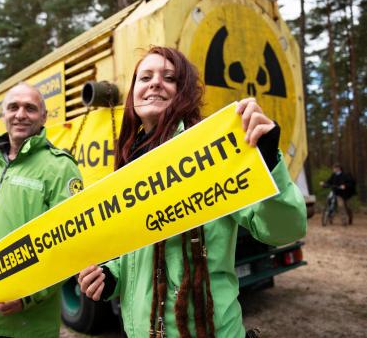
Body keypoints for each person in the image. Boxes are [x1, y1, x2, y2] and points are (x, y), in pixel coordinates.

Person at [78, 47, 307, 338]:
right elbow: (133, 250)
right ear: (132, 94)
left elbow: (283, 230)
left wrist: (266, 162)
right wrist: (112, 276)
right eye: (144, 77)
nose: (155, 83)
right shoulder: (127, 166)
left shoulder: (214, 156)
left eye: (169, 77)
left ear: (183, 91)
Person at [0, 83, 83, 337]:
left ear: (44, 117)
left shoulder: (60, 168)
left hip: (27, 323)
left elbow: (70, 242)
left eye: (30, 108)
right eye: (13, 107)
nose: (20, 114)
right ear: (4, 116)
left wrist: (28, 297)